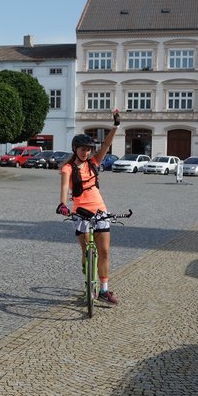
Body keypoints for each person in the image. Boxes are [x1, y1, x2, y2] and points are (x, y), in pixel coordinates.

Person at [56, 110, 121, 304]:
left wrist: (115, 125)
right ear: (75, 149)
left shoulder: (93, 163)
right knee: (86, 253)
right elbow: (65, 186)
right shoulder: (68, 168)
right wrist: (62, 204)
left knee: (105, 252)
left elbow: (107, 144)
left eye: (88, 149)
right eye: (83, 149)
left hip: (100, 210)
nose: (86, 152)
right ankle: (86, 265)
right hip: (80, 213)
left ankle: (103, 290)